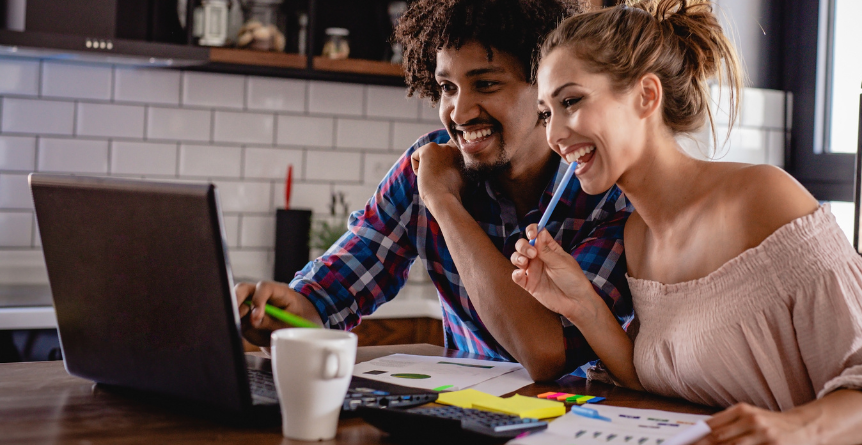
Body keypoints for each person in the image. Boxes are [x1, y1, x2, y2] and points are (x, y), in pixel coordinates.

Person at [510, 0, 862, 443]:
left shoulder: (762, 198)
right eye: (547, 114)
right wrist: (581, 304)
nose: (553, 135)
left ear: (647, 95)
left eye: (571, 101)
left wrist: (791, 429)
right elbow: (659, 381)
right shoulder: (639, 237)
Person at [236, 0, 634, 382]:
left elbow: (547, 353)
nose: (459, 113)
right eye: (448, 87)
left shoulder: (606, 193)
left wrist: (444, 203)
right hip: (464, 415)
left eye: (486, 84)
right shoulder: (425, 168)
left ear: (545, 87)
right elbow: (327, 298)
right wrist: (283, 315)